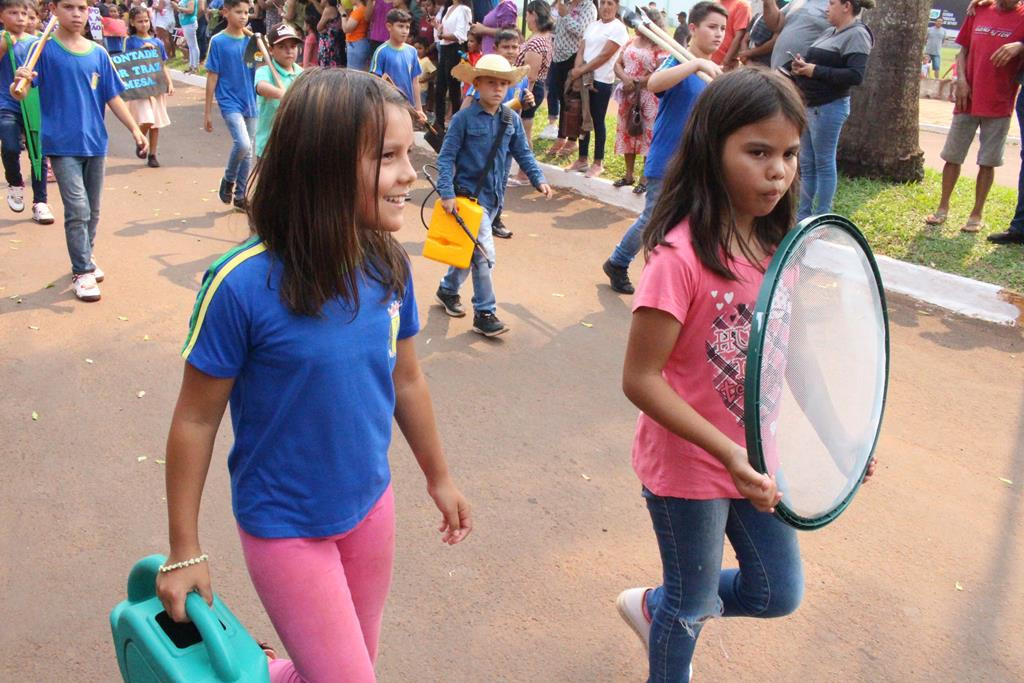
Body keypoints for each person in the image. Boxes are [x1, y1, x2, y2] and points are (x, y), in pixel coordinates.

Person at [156, 69, 473, 683]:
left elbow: (405, 379)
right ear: (321, 165)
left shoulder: (390, 268)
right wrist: (183, 549)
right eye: (388, 157)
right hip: (284, 528)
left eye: (411, 153)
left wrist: (439, 476)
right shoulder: (240, 284)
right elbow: (195, 419)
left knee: (343, 664)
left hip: (370, 509)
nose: (411, 174)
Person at [615, 66, 878, 683]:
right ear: (713, 151)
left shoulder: (780, 249)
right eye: (758, 152)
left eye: (788, 153)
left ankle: (653, 605)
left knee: (776, 591)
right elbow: (640, 379)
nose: (779, 170)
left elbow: (794, 360)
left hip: (754, 460)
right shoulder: (678, 259)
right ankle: (672, 611)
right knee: (691, 606)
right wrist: (728, 453)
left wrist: (846, 442)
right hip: (691, 469)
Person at [13, 0, 147, 302]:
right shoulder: (41, 49)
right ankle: (82, 270)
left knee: (93, 210)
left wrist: (136, 130)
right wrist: (21, 80)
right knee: (78, 209)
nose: (77, 14)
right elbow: (20, 88)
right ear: (55, 10)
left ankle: (86, 252)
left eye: (82, 8)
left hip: (95, 143)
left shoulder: (98, 53)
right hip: (61, 145)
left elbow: (113, 97)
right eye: (69, 7)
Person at [601, 0, 724, 295]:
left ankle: (677, 280)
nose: (718, 34)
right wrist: (693, 64)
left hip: (697, 163)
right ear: (693, 29)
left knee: (687, 223)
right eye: (711, 27)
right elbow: (654, 84)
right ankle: (619, 262)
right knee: (655, 219)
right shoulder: (679, 60)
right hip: (668, 158)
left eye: (723, 29)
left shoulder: (714, 72)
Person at [433, 54, 552, 336]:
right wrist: (447, 192)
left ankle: (448, 289)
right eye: (491, 83)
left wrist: (539, 179)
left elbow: (523, 152)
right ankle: (484, 312)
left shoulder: (510, 119)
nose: (498, 89)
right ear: (477, 84)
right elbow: (446, 158)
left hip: (494, 200)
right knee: (485, 255)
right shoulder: (463, 119)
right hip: (466, 201)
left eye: (503, 83)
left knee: (473, 252)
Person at [926, 0, 1024, 234]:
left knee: (988, 161)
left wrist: (1020, 44)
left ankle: (976, 214)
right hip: (967, 96)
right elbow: (963, 50)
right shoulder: (978, 9)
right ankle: (942, 208)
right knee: (952, 155)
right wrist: (961, 80)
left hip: (1000, 100)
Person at [789, 0, 874, 221]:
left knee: (824, 162)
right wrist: (802, 66)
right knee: (807, 163)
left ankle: (821, 216)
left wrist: (814, 70)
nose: (828, 7)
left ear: (847, 6)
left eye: (833, 3)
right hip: (811, 104)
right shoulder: (829, 31)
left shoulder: (857, 34)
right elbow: (818, 63)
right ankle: (803, 216)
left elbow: (855, 75)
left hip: (829, 107)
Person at [0, 0, 53, 224]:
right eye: (13, 13)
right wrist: (4, 47)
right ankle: (14, 183)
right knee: (11, 147)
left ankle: (40, 202)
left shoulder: (37, 43)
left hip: (34, 106)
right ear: (2, 16)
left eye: (24, 13)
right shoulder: (2, 40)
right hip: (7, 104)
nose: (20, 18)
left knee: (38, 155)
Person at [564, 0, 628, 178]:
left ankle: (598, 162)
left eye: (610, 3)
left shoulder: (618, 28)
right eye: (603, 3)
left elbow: (605, 55)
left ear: (616, 6)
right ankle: (582, 159)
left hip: (601, 81)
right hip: (583, 79)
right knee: (582, 118)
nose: (606, 7)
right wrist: (577, 71)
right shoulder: (592, 25)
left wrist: (580, 70)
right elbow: (581, 50)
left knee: (597, 121)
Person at [204, 0, 257, 212]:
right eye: (238, 12)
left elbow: (259, 65)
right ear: (226, 12)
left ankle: (241, 195)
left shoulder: (252, 40)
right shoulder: (218, 41)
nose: (243, 17)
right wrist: (207, 111)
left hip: (251, 101)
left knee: (249, 152)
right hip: (229, 101)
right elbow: (212, 76)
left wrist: (259, 42)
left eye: (246, 12)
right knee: (243, 144)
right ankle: (228, 179)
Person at [611, 31, 664, 190]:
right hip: (628, 93)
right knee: (628, 132)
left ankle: (644, 179)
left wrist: (640, 82)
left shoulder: (659, 45)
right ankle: (628, 175)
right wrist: (626, 79)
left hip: (648, 96)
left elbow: (661, 70)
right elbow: (617, 63)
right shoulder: (631, 41)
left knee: (647, 134)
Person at [508, 0, 553, 184]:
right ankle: (524, 172)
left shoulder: (536, 42)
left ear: (533, 15)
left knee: (524, 132)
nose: (525, 18)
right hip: (529, 89)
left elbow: (531, 75)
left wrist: (523, 98)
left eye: (527, 15)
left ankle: (524, 173)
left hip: (528, 89)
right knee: (524, 131)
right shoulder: (543, 38)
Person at [544, 0, 596, 155]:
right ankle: (561, 135)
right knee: (561, 98)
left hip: (575, 58)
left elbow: (583, 32)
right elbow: (558, 31)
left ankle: (572, 140)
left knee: (574, 100)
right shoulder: (565, 4)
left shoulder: (588, 7)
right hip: (558, 57)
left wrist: (565, 16)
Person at [126, 6, 174, 168]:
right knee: (148, 118)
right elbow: (126, 62)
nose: (144, 24)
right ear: (132, 22)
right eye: (140, 21)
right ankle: (140, 140)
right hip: (141, 86)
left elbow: (163, 64)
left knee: (156, 123)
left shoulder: (158, 42)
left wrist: (170, 82)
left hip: (157, 84)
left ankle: (152, 154)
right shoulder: (130, 41)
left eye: (146, 21)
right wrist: (141, 50)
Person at [253, 22, 302, 160]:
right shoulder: (265, 71)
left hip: (294, 145)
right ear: (271, 50)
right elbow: (261, 87)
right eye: (282, 47)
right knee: (268, 182)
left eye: (293, 46)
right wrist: (284, 94)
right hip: (269, 147)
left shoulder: (302, 74)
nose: (289, 51)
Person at [370, 8, 425, 118]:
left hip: (408, 107)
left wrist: (419, 109)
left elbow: (415, 82)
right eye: (400, 26)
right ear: (389, 27)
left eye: (407, 27)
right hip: (389, 106)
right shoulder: (381, 51)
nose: (404, 31)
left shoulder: (412, 51)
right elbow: (374, 82)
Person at [432, 0, 472, 128]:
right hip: (444, 48)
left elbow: (461, 35)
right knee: (440, 87)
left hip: (455, 49)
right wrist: (436, 26)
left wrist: (442, 35)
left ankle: (456, 124)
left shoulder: (464, 9)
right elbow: (443, 31)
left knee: (453, 89)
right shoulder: (449, 8)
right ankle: (439, 124)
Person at [762, 0, 829, 72]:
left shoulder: (836, 4)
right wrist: (768, 2)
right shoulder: (799, 1)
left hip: (803, 75)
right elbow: (776, 25)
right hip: (778, 70)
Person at [710, 0, 749, 70]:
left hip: (722, 66)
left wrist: (724, 63)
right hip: (706, 59)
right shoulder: (714, 4)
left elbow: (739, 37)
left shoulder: (741, 5)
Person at [171, 0, 200, 72]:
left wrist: (178, 7)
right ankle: (192, 66)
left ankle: (195, 66)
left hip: (189, 23)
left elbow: (190, 10)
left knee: (193, 46)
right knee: (191, 46)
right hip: (186, 23)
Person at [343, 0, 371, 70]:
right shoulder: (364, 9)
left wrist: (343, 14)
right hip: (361, 42)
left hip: (356, 44)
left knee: (353, 74)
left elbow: (346, 29)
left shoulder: (359, 11)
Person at [316, 0, 345, 66]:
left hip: (328, 45)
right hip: (336, 42)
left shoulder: (328, 9)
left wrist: (326, 30)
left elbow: (319, 27)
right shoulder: (337, 8)